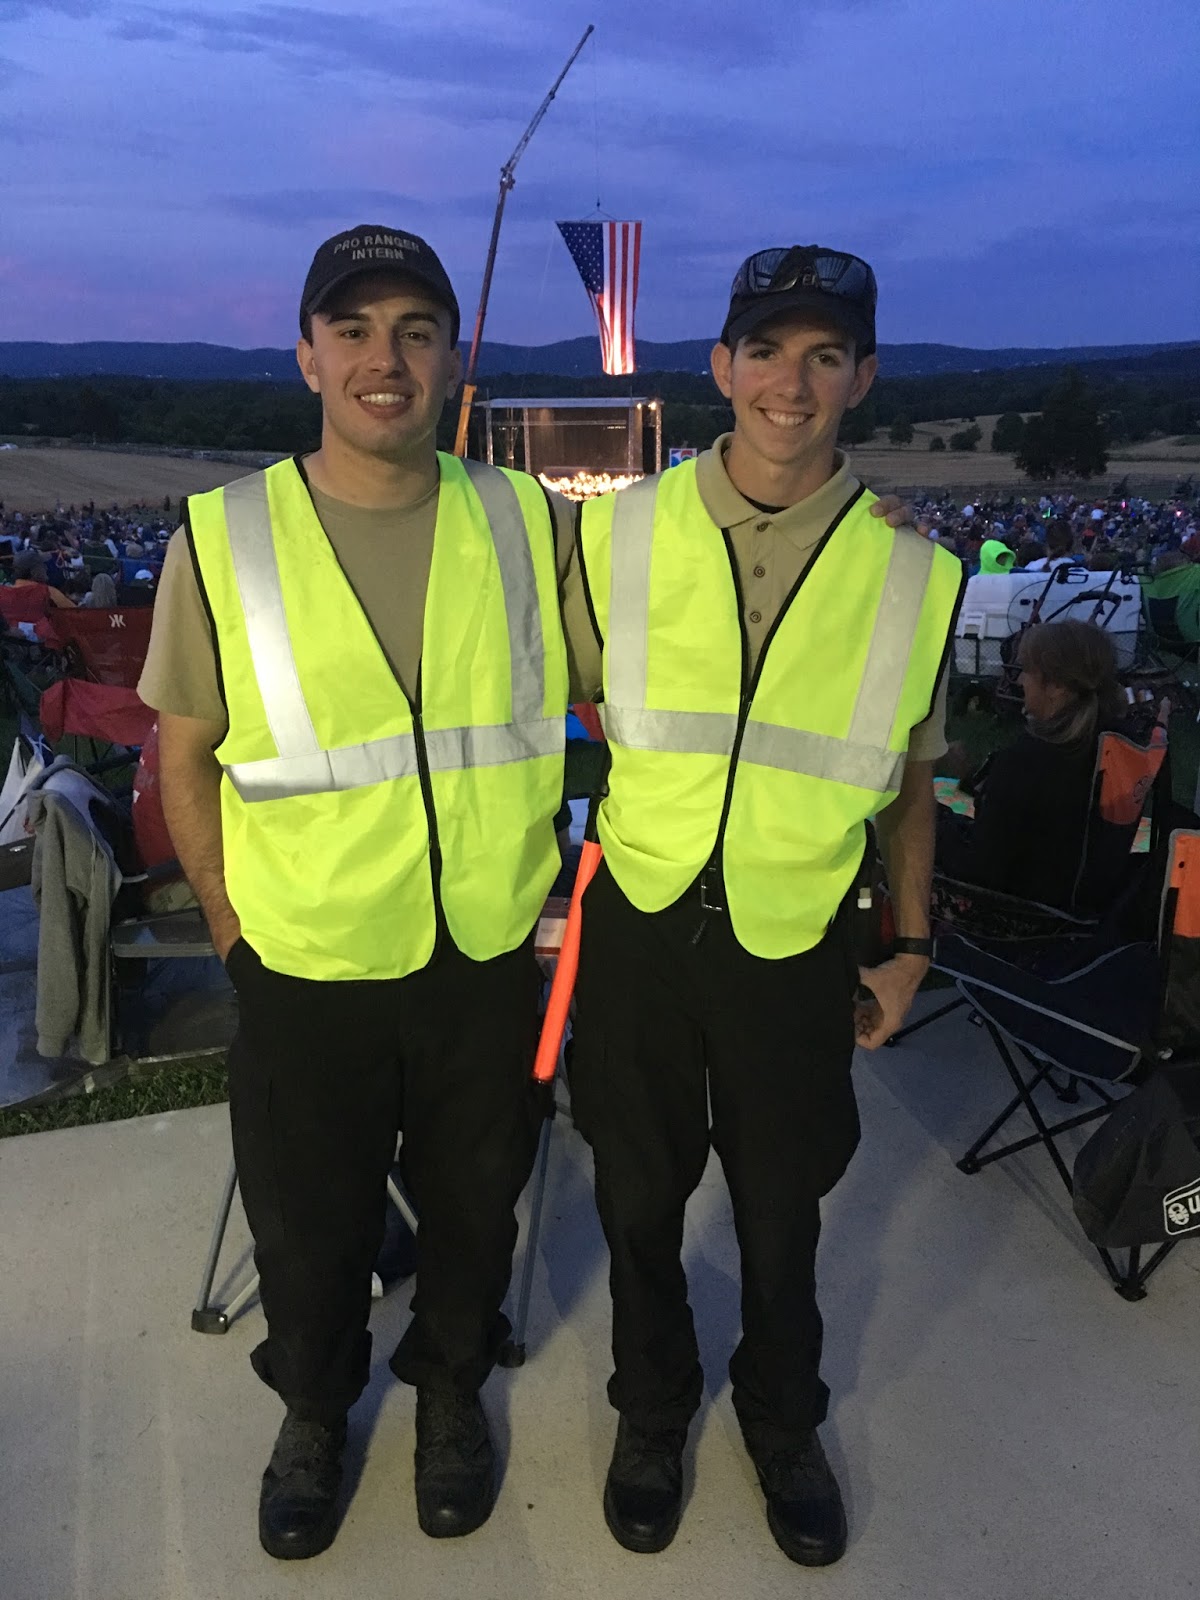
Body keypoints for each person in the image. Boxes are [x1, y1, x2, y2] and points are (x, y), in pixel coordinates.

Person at [138, 225, 572, 1562]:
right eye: (356, 330)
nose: (387, 358)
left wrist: (853, 519)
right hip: (305, 963)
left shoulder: (530, 522)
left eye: (415, 331)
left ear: (451, 357)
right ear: (308, 357)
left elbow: (678, 622)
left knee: (473, 1209)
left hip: (482, 953)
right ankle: (316, 1413)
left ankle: (448, 1396)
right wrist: (231, 930)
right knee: (310, 1226)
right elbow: (184, 756)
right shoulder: (225, 537)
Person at [566, 245, 963, 1567]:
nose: (793, 382)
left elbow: (910, 787)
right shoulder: (615, 534)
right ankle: (651, 1408)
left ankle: (782, 1420)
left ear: (864, 377)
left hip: (794, 943)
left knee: (785, 1214)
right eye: (769, 350)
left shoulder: (914, 574)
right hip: (641, 924)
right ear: (721, 367)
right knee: (635, 1201)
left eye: (825, 355)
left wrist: (910, 948)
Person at [936, 621, 1131, 907]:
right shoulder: (1116, 746)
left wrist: (931, 817)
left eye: (1026, 670)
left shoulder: (1028, 761)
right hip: (1092, 904)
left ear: (1056, 685)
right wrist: (970, 780)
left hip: (1026, 913)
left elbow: (980, 870)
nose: (1019, 681)